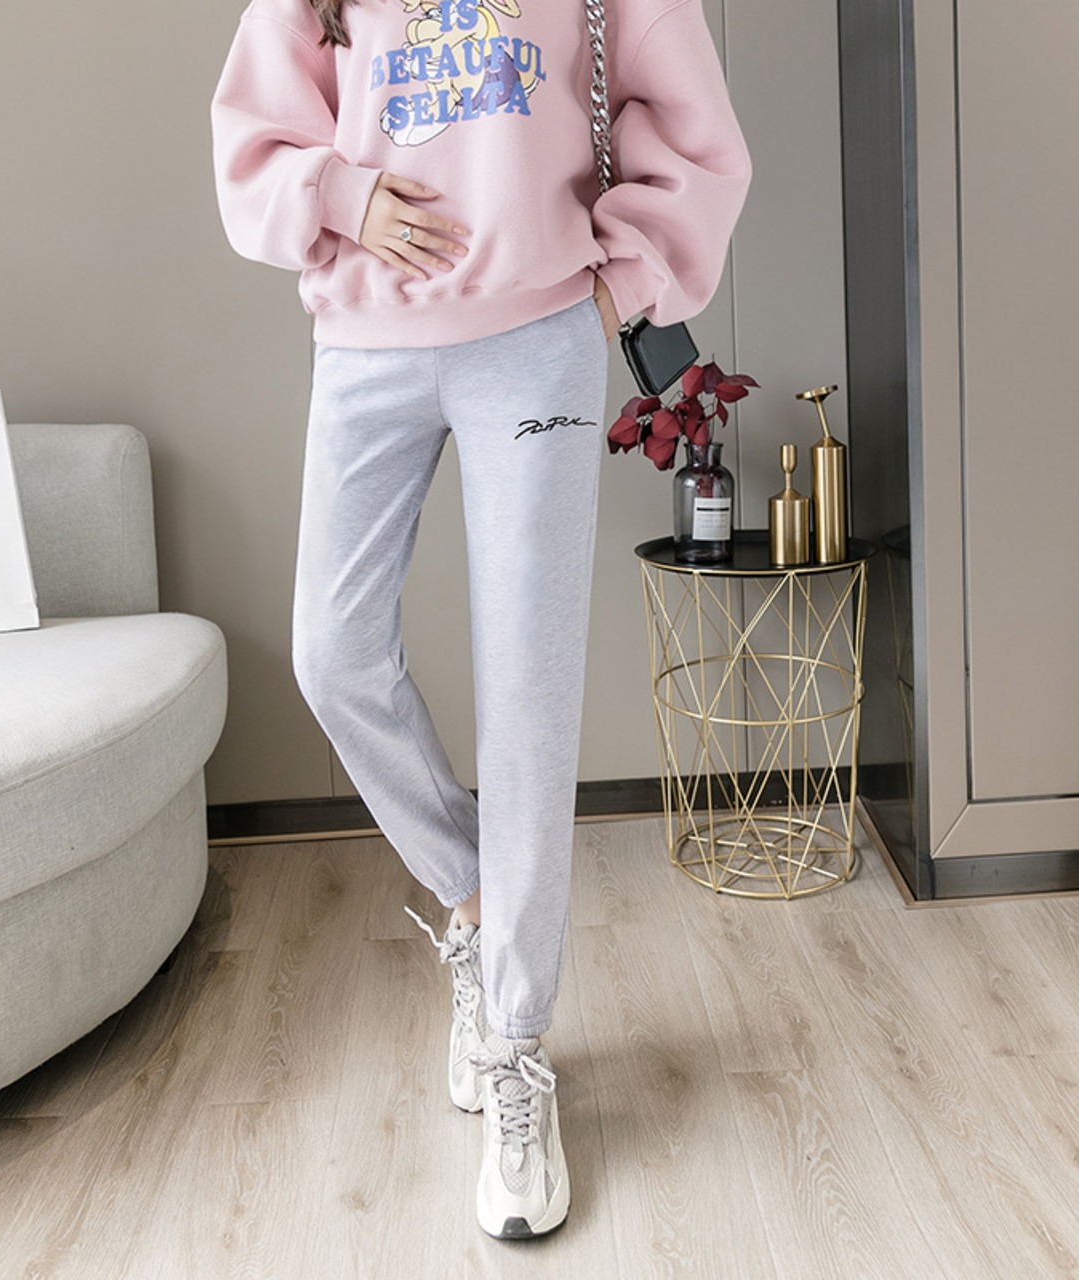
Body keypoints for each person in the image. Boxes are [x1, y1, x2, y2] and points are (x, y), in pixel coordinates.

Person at [211, 0, 751, 1240]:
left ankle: (515, 1040)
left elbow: (688, 122)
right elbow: (251, 132)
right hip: (364, 342)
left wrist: (624, 277)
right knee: (332, 653)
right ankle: (470, 895)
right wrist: (339, 196)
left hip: (531, 336)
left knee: (526, 693)